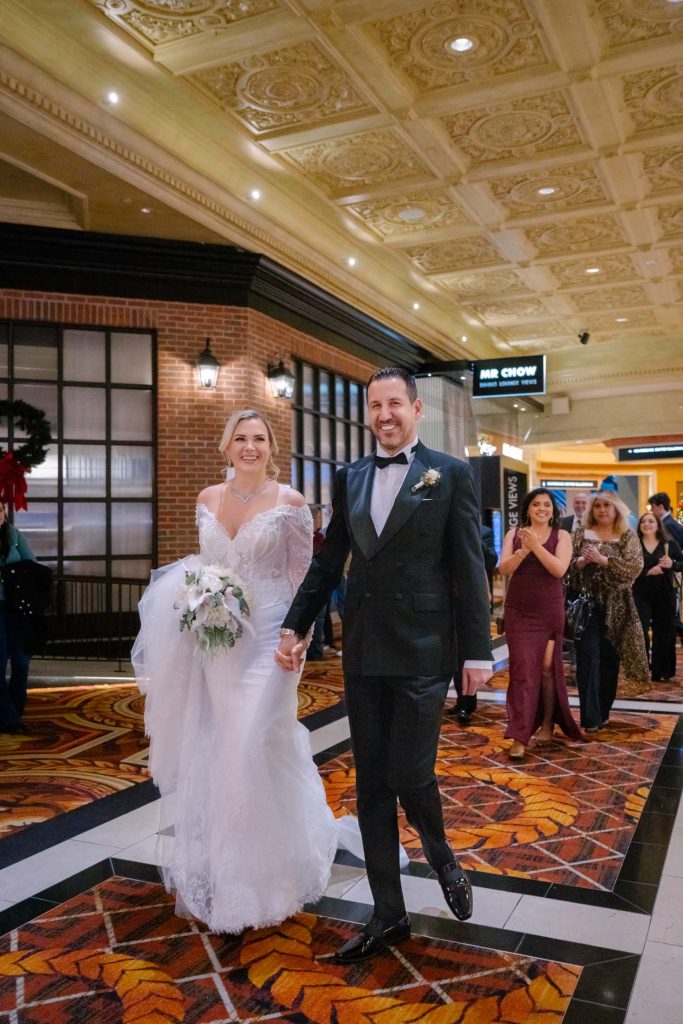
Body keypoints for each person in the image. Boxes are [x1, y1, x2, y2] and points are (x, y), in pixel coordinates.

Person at [276, 367, 492, 963]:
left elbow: (469, 568)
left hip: (425, 650)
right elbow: (329, 563)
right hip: (365, 652)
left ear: (416, 409)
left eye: (394, 403)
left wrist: (477, 651)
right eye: (375, 406)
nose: (385, 414)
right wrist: (296, 624)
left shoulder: (450, 473)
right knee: (372, 784)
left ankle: (441, 853)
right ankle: (388, 913)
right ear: (367, 414)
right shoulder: (350, 478)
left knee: (408, 771)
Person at [132, 409, 337, 934]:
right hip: (218, 645)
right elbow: (204, 568)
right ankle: (232, 874)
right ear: (227, 448)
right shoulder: (205, 498)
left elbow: (304, 580)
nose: (250, 447)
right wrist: (199, 602)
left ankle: (267, 881)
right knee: (225, 749)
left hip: (271, 643)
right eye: (240, 439)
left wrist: (301, 640)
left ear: (272, 448)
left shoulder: (290, 504)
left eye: (259, 439)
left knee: (251, 742)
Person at [498, 489, 582, 760]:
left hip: (549, 609)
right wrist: (524, 549)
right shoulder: (515, 533)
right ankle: (519, 734)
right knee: (522, 670)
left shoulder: (563, 536)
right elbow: (504, 568)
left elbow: (559, 569)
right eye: (536, 504)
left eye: (547, 504)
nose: (542, 509)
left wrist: (535, 547)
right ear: (528, 508)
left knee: (547, 670)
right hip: (519, 611)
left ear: (553, 510)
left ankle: (547, 724)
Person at [566, 491, 650, 732]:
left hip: (619, 606)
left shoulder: (627, 535)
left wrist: (603, 561)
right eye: (598, 506)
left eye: (607, 506)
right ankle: (590, 718)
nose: (602, 510)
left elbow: (635, 568)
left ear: (617, 509)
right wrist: (581, 563)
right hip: (586, 605)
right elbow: (567, 568)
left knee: (610, 661)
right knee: (587, 659)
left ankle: (602, 711)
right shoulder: (580, 534)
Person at [450, 523, 498, 724]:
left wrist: (468, 533)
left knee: (466, 651)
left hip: (470, 598)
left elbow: (490, 560)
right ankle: (458, 699)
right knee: (450, 651)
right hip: (444, 596)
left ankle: (466, 704)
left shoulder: (484, 531)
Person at [633, 512, 683, 682]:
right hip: (640, 594)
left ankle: (661, 671)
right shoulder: (634, 545)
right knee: (640, 631)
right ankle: (640, 669)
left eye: (651, 521)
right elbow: (627, 569)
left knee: (665, 632)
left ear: (658, 525)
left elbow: (681, 562)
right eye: (643, 521)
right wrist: (647, 572)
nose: (647, 524)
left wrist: (673, 564)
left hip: (665, 593)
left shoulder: (668, 544)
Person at [0, 502, 36, 733]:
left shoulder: (13, 535)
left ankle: (14, 711)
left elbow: (31, 564)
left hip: (15, 606)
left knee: (21, 662)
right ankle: (9, 718)